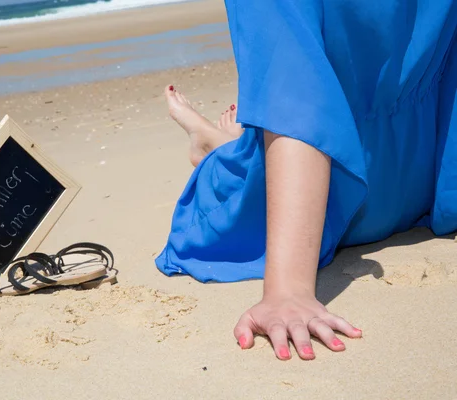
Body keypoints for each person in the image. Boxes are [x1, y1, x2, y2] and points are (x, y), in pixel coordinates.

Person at [155, 0, 457, 361]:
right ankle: (225, 143)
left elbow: (297, 96)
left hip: (334, 195)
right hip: (433, 168)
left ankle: (217, 146)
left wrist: (289, 289)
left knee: (228, 195)